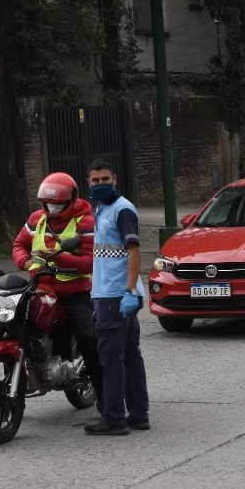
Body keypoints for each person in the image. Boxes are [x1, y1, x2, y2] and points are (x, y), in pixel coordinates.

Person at [11, 172, 103, 412]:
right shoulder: (36, 220)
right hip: (41, 290)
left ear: (71, 199)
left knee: (87, 338)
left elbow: (90, 261)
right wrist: (27, 264)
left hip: (74, 292)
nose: (53, 208)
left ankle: (106, 399)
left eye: (59, 203)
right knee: (16, 325)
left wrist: (58, 259)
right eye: (49, 203)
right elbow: (19, 244)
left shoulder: (86, 222)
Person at [84, 159, 149, 436]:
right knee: (130, 356)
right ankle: (138, 414)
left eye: (105, 179)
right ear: (88, 182)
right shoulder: (103, 209)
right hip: (112, 293)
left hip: (116, 295)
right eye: (95, 181)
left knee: (111, 358)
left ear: (115, 179)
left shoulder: (122, 209)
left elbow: (133, 251)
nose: (100, 185)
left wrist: (130, 292)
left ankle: (113, 419)